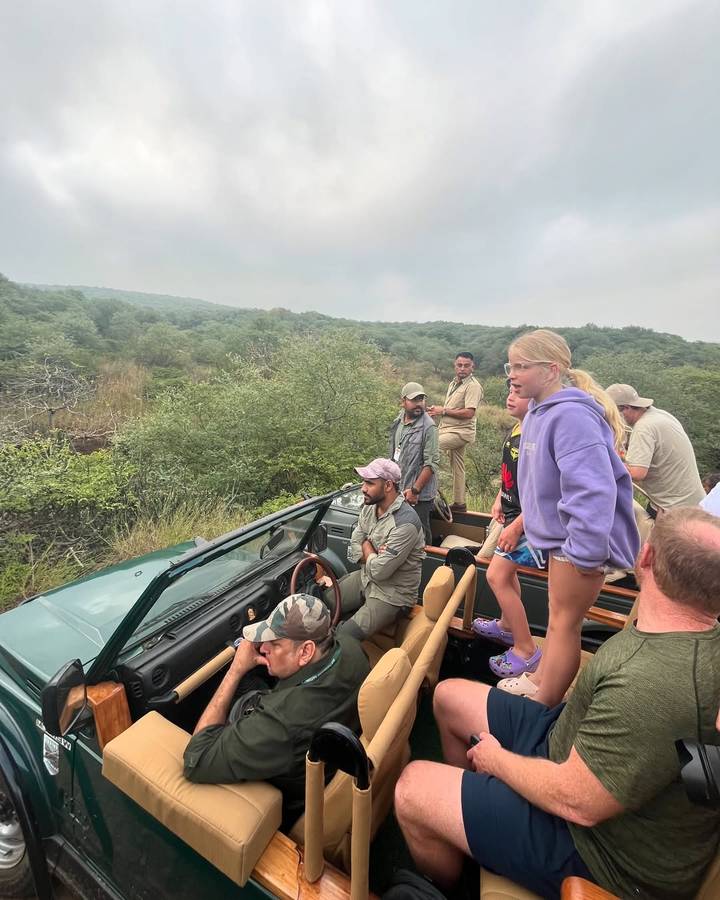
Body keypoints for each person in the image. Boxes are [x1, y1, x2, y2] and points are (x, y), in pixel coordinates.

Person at [394, 507, 720, 900]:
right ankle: (469, 830)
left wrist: (497, 761)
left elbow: (577, 802)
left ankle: (454, 882)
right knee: (448, 698)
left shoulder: (649, 684)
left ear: (646, 558)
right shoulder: (689, 635)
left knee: (411, 790)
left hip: (598, 850)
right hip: (566, 744)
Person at [502, 330, 639, 706]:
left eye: (521, 366)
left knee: (564, 625)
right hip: (557, 540)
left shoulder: (572, 418)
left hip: (575, 545)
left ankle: (543, 703)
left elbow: (593, 490)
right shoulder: (537, 413)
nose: (512, 375)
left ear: (552, 369)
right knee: (556, 617)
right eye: (510, 366)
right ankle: (541, 677)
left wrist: (584, 552)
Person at [183, 593, 369, 826]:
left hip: (287, 798)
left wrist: (235, 671)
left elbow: (196, 760)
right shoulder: (352, 649)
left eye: (275, 643)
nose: (262, 648)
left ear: (305, 652)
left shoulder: (280, 723)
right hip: (319, 746)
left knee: (238, 690)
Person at [471, 383, 545, 678]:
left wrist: (517, 525)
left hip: (531, 520)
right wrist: (500, 497)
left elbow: (545, 490)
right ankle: (505, 625)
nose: (510, 396)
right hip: (515, 513)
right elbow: (512, 474)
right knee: (507, 573)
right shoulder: (518, 428)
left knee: (496, 574)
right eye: (510, 390)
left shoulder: (537, 432)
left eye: (519, 392)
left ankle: (526, 648)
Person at [334, 458, 425, 640]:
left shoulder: (405, 523)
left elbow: (379, 571)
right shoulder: (369, 507)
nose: (363, 488)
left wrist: (367, 546)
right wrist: (373, 554)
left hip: (393, 595)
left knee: (345, 635)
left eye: (369, 483)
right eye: (363, 482)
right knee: (325, 602)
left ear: (388, 485)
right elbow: (353, 547)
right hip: (365, 578)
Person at [606, 383, 705, 512]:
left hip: (672, 508)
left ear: (626, 408)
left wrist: (607, 459)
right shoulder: (660, 415)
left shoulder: (643, 428)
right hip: (695, 501)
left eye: (612, 413)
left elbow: (637, 473)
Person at [427, 352, 483, 513]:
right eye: (459, 365)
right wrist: (436, 411)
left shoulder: (473, 386)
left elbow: (469, 413)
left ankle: (426, 494)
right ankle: (459, 503)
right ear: (455, 366)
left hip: (461, 432)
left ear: (473, 367)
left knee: (429, 448)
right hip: (448, 429)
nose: (462, 368)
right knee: (458, 467)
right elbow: (454, 408)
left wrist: (442, 410)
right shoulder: (454, 383)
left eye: (466, 365)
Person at [388, 381, 440, 544]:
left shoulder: (429, 427)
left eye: (421, 400)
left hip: (419, 495)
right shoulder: (399, 421)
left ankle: (428, 567)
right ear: (403, 401)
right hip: (400, 489)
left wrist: (415, 491)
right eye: (414, 400)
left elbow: (431, 464)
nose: (419, 404)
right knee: (400, 532)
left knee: (420, 534)